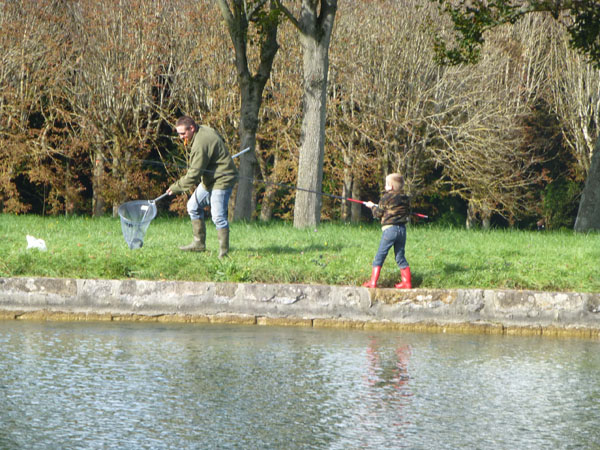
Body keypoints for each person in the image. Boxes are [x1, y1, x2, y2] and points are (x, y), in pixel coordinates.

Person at [166, 116, 238, 258]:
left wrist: (175, 188)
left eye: (182, 134)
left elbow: (194, 175)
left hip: (222, 179)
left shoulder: (200, 143)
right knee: (192, 206)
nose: (180, 137)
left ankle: (224, 254)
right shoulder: (202, 129)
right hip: (210, 178)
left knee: (218, 217)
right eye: (179, 134)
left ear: (191, 128)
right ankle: (199, 244)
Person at [362, 173, 412, 289]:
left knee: (380, 255)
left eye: (386, 184)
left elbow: (378, 213)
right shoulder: (406, 198)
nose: (385, 186)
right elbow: (407, 211)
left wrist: (372, 206)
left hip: (390, 230)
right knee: (400, 257)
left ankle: (373, 282)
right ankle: (407, 282)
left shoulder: (386, 197)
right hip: (402, 231)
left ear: (391, 186)